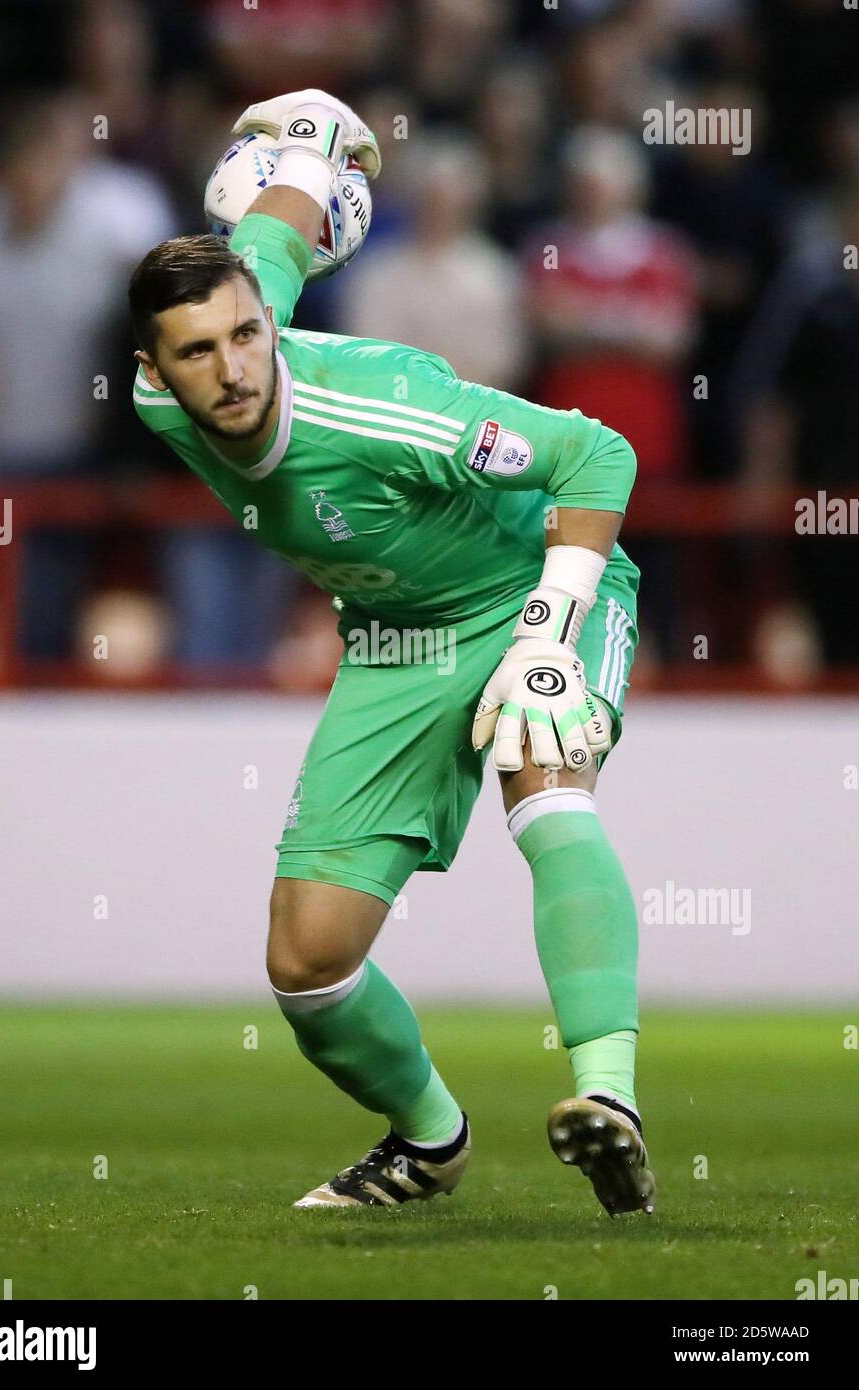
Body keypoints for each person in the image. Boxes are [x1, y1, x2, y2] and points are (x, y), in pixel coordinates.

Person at [128, 91, 653, 1216]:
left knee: (545, 787)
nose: (230, 368)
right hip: (392, 642)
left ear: (271, 325)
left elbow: (594, 456)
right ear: (154, 369)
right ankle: (429, 1143)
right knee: (306, 963)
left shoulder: (385, 406)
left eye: (244, 335)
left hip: (531, 586)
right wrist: (311, 143)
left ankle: (608, 1103)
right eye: (197, 353)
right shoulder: (178, 374)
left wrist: (550, 629)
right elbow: (264, 237)